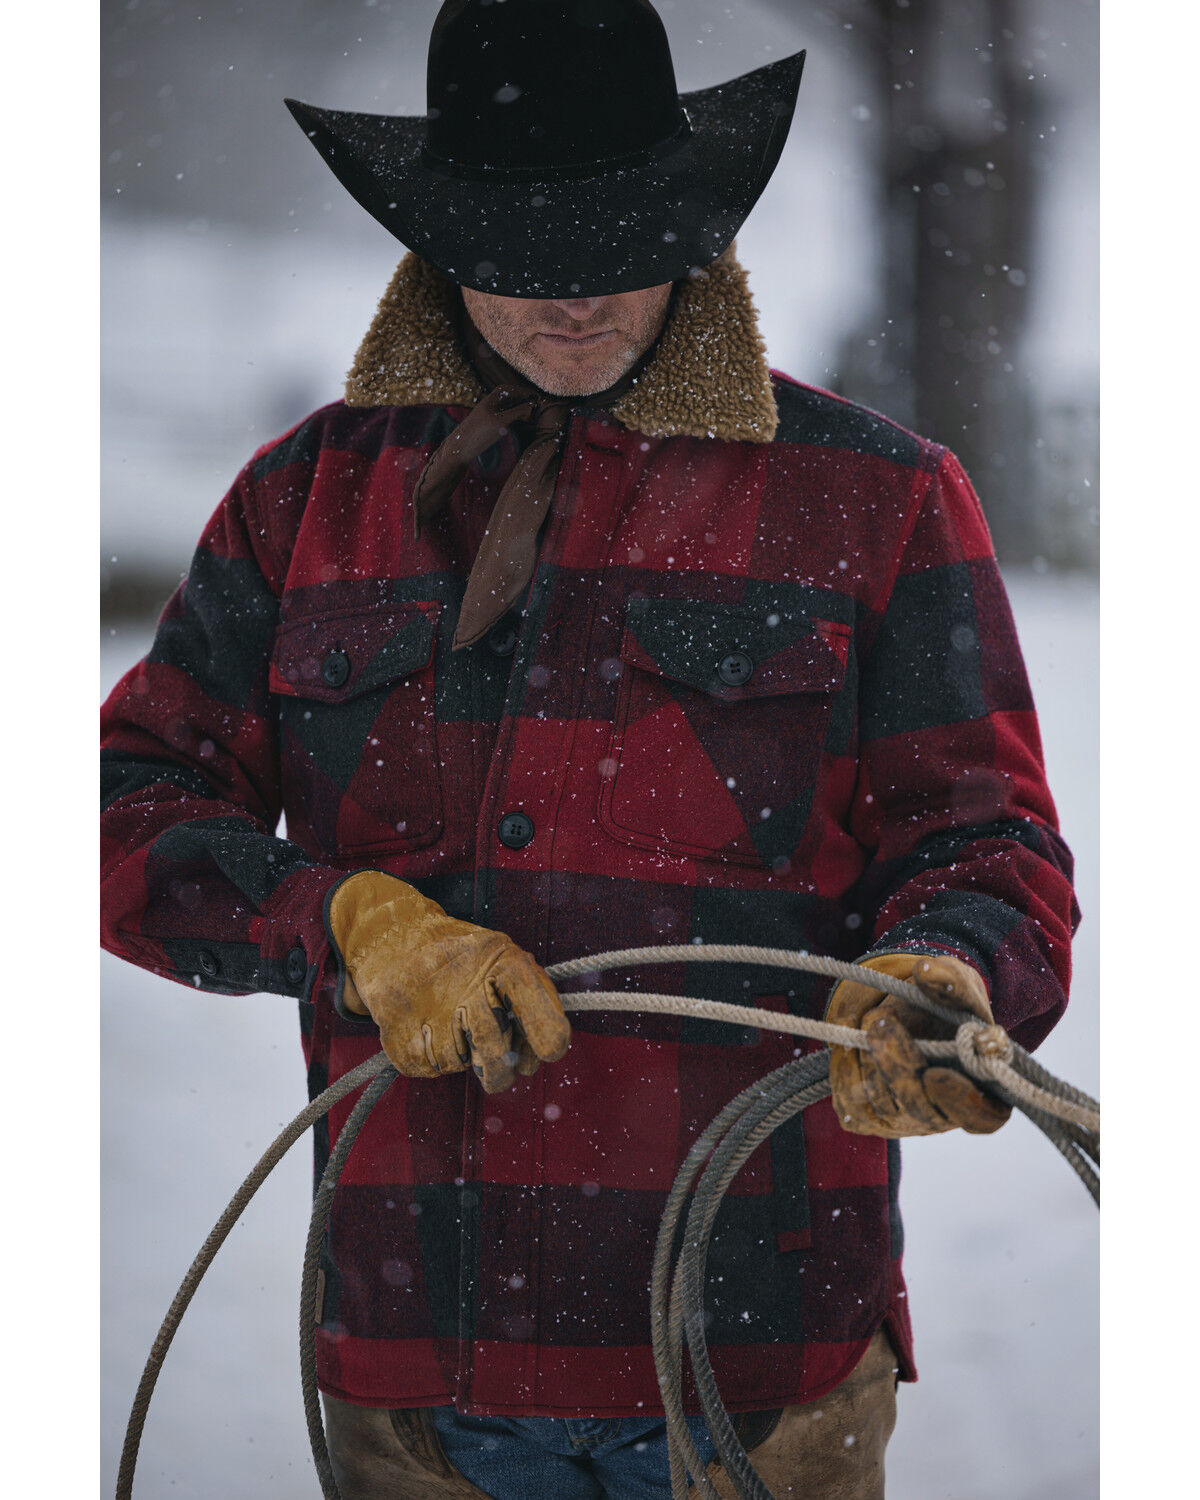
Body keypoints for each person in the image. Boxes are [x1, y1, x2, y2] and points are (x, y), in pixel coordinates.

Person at [100, 3, 1079, 1496]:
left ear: (690, 223)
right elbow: (123, 804)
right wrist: (349, 925)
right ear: (439, 244)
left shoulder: (875, 502)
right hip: (415, 1361)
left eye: (615, 245)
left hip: (761, 1361)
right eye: (521, 257)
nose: (573, 301)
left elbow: (986, 842)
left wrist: (947, 972)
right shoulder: (303, 505)